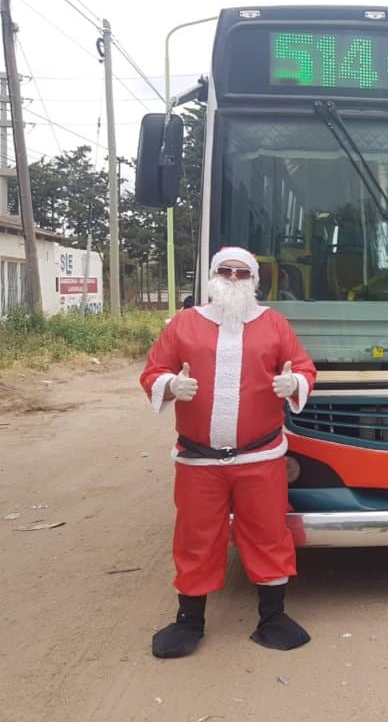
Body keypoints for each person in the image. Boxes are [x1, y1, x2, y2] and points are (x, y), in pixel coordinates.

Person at [140, 246, 317, 659]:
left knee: (269, 533)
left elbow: (303, 367)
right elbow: (153, 370)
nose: (234, 279)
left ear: (254, 280)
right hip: (198, 460)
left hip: (261, 457)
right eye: (226, 271)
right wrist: (169, 385)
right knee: (196, 537)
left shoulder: (273, 324)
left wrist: (294, 385)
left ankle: (273, 617)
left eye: (242, 273)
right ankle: (189, 622)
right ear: (212, 276)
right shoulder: (185, 323)